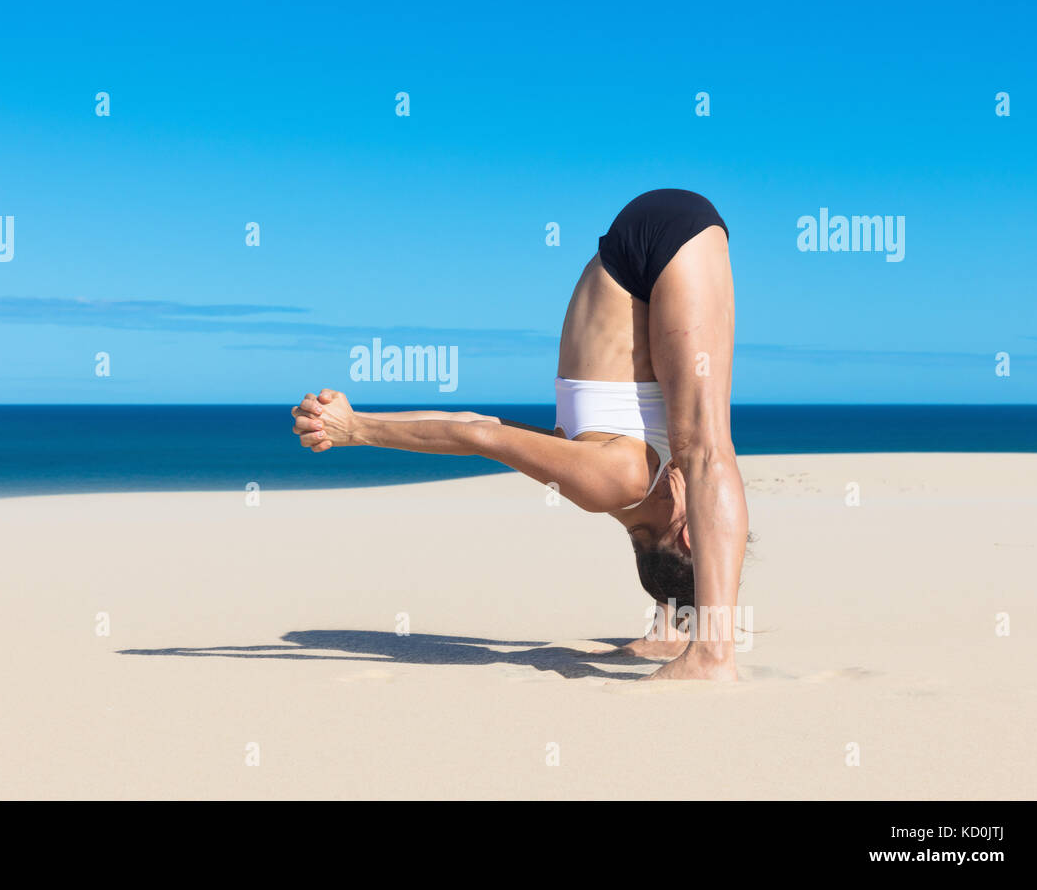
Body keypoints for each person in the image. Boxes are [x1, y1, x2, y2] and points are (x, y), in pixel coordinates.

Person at [291, 189, 748, 681]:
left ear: (685, 534)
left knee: (703, 449)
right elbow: (478, 428)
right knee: (699, 450)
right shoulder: (616, 480)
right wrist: (356, 426)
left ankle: (711, 654)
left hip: (644, 254)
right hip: (654, 249)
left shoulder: (613, 482)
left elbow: (480, 434)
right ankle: (682, 630)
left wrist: (360, 427)